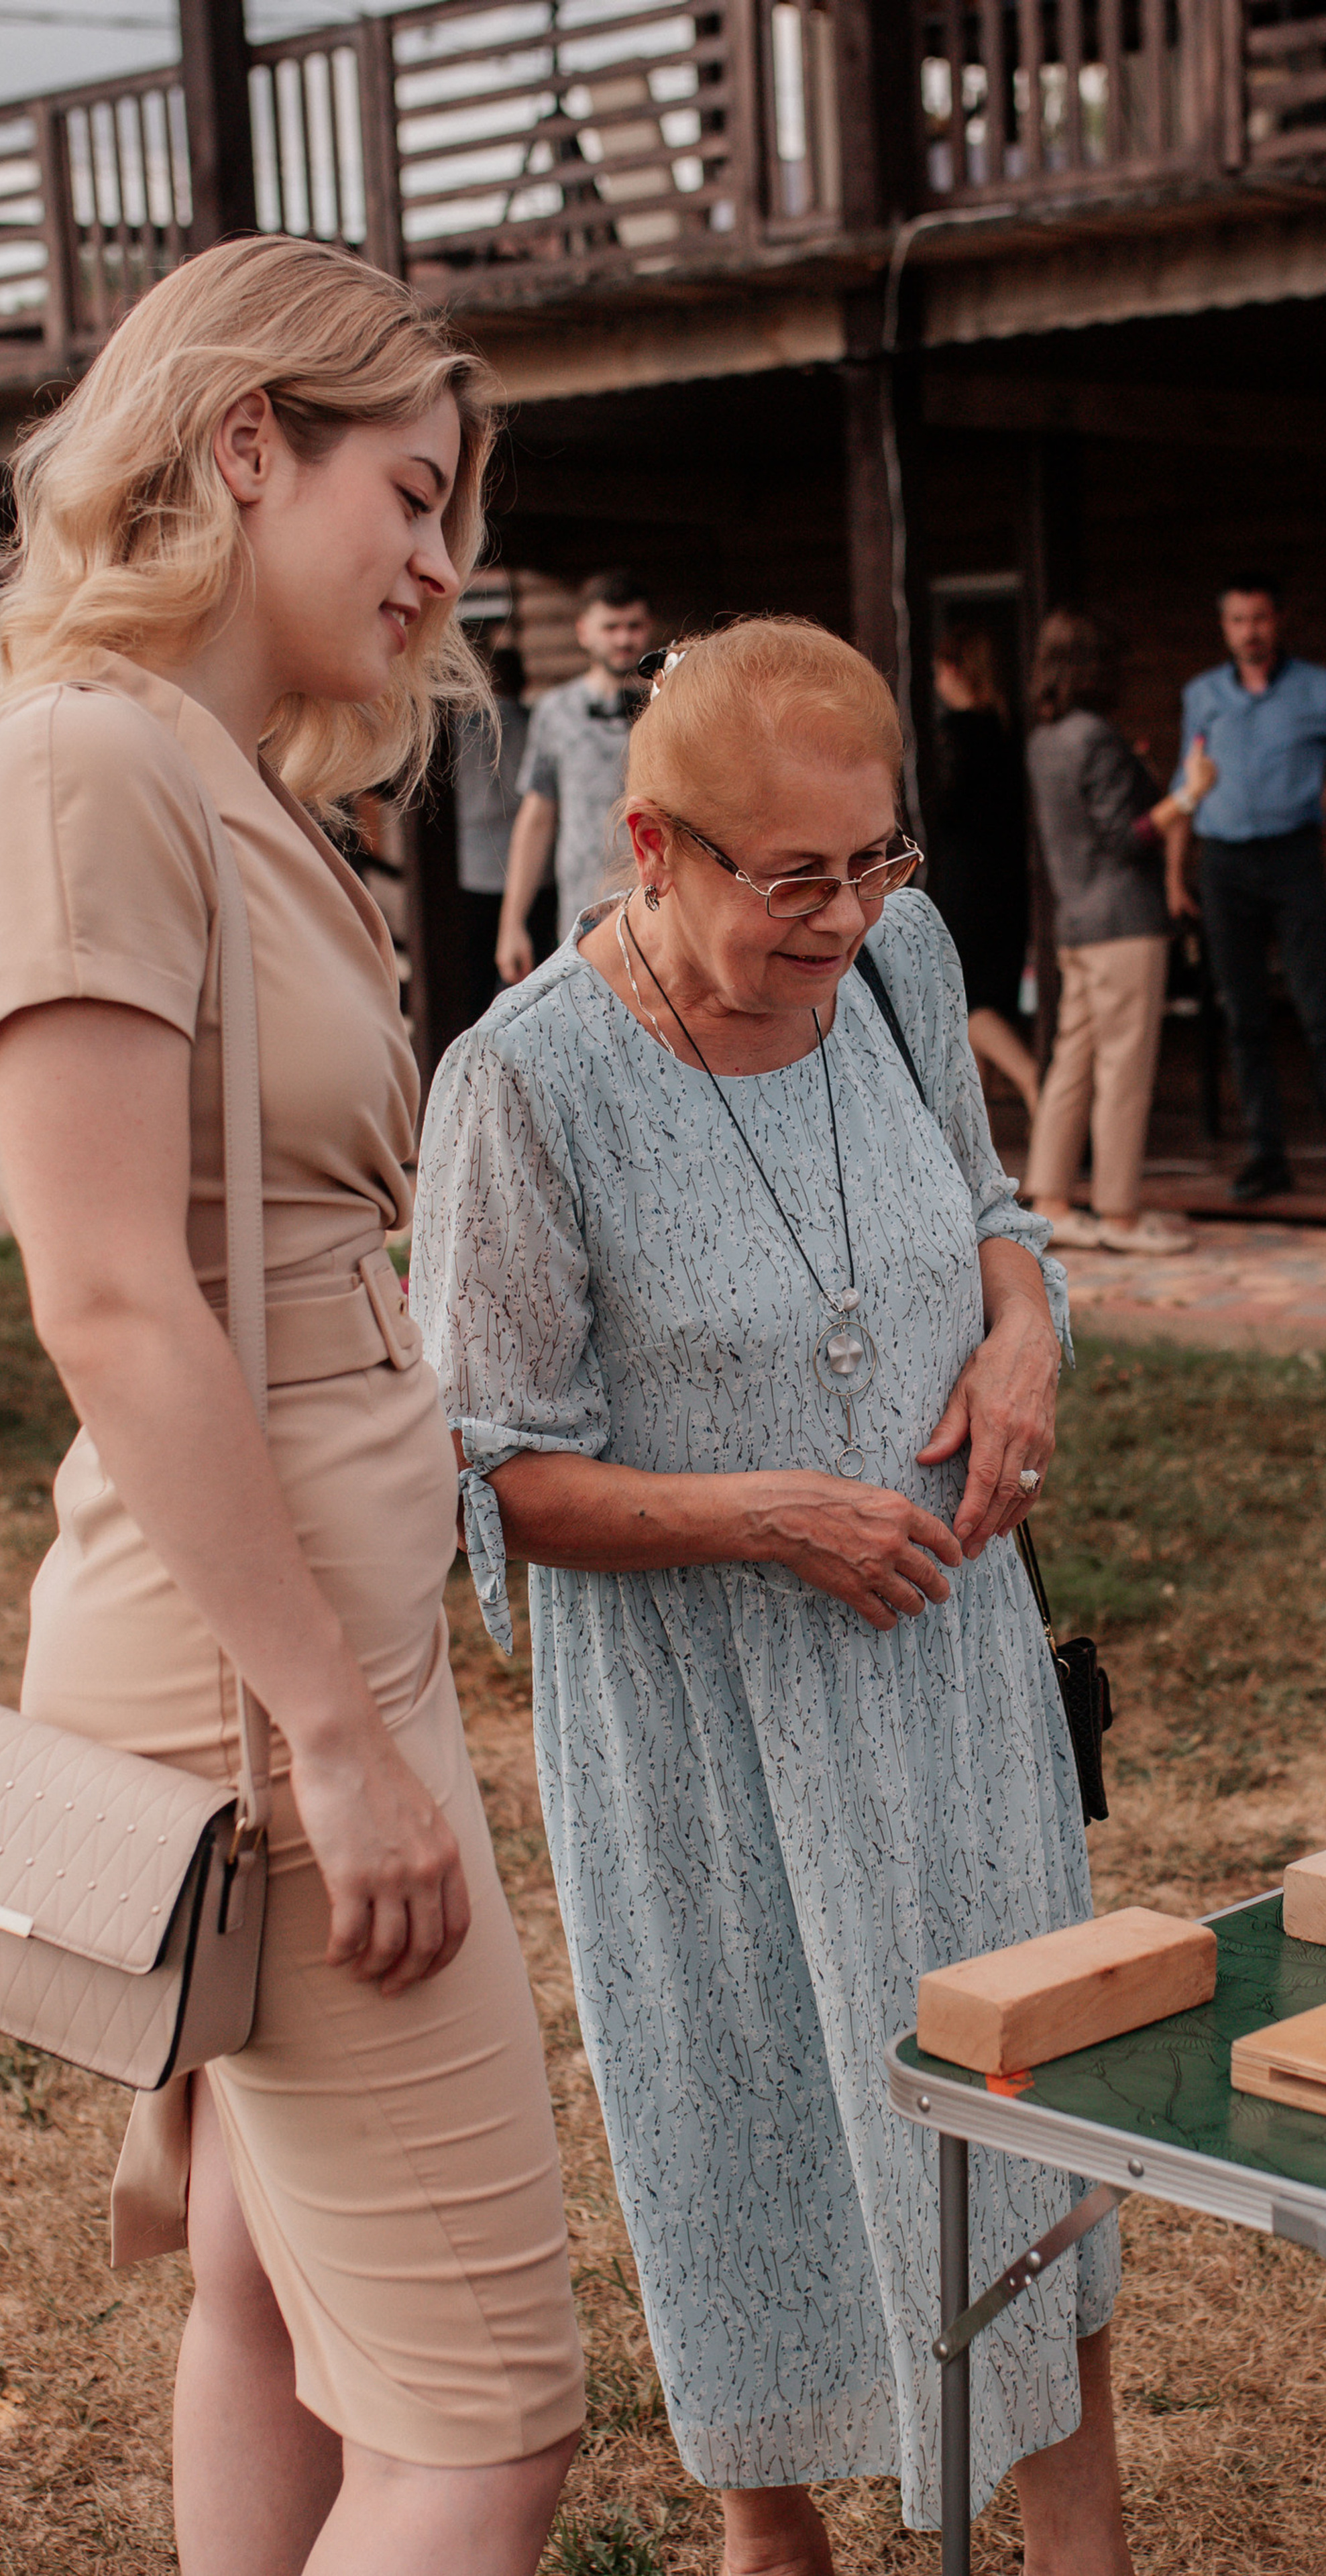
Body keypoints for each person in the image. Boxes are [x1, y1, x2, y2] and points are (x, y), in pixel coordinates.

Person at [411, 616, 1134, 2573]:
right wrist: (765, 1513)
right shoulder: (525, 1086)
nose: (841, 917)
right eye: (789, 876)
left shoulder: (902, 964)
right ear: (650, 844)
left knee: (1031, 2206)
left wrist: (1021, 1348)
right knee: (772, 2209)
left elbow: (996, 1217)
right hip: (713, 1761)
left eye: (873, 857)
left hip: (957, 1704)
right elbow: (490, 1465)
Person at [0, 237, 584, 2574]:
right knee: (486, 2421)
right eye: (412, 489)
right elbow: (113, 1294)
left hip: (314, 1650)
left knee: (263, 2281)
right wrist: (334, 1736)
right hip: (268, 1706)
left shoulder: (230, 785)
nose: (445, 561)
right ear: (249, 443)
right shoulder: (90, 759)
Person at [1166, 577, 1326, 1205]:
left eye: (1260, 619)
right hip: (1221, 864)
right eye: (1238, 619)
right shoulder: (1203, 696)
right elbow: (1185, 787)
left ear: (1278, 621)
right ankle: (1265, 1155)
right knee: (1242, 1015)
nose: (1250, 630)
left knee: (1317, 1006)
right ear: (1225, 627)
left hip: (1292, 857)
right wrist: (1174, 873)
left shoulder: (1319, 690)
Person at [1021, 610, 1214, 1255]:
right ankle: (1120, 1215)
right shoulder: (1097, 736)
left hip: (1074, 924)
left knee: (1070, 1066)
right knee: (1123, 1070)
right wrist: (1188, 797)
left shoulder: (1044, 739)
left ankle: (1051, 1202)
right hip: (1124, 924)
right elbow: (1124, 839)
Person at [494, 570, 652, 983]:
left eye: (633, 626)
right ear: (584, 632)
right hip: (584, 916)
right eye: (611, 627)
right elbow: (537, 816)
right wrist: (512, 923)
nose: (623, 639)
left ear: (647, 629)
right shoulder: (555, 711)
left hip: (659, 909)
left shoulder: (669, 707)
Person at [926, 623, 1040, 1113]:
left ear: (951, 671)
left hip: (966, 881)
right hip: (1008, 879)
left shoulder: (953, 735)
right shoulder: (1009, 731)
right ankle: (979, 1143)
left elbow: (941, 810)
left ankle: (1035, 1084)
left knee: (966, 1004)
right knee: (985, 996)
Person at [453, 640, 547, 1028]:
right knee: (535, 973)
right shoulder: (533, 723)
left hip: (474, 864)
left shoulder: (460, 730)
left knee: (475, 977)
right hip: (532, 867)